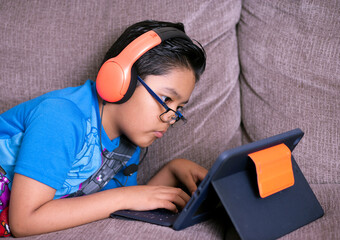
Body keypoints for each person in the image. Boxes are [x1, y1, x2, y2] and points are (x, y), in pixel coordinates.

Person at [0, 20, 207, 237]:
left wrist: (172, 171)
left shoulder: (128, 146)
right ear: (121, 80)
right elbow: (23, 222)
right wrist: (126, 197)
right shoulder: (61, 117)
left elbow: (117, 203)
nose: (171, 118)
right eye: (166, 99)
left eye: (179, 108)